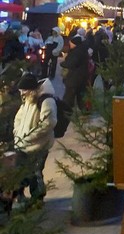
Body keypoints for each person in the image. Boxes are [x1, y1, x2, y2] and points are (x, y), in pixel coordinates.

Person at [13, 73, 57, 203]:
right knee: (21, 171)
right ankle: (20, 196)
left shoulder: (46, 100)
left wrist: (30, 137)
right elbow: (19, 117)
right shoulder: (28, 98)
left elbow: (48, 123)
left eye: (23, 90)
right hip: (23, 143)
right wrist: (18, 133)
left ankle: (37, 199)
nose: (21, 93)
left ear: (31, 89)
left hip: (39, 145)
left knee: (35, 172)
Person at [60, 35, 90, 114]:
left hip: (74, 78)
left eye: (71, 43)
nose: (70, 45)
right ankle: (85, 110)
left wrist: (63, 63)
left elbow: (71, 63)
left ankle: (65, 112)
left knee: (69, 96)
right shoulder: (82, 50)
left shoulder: (76, 52)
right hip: (82, 77)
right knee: (81, 96)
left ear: (74, 44)